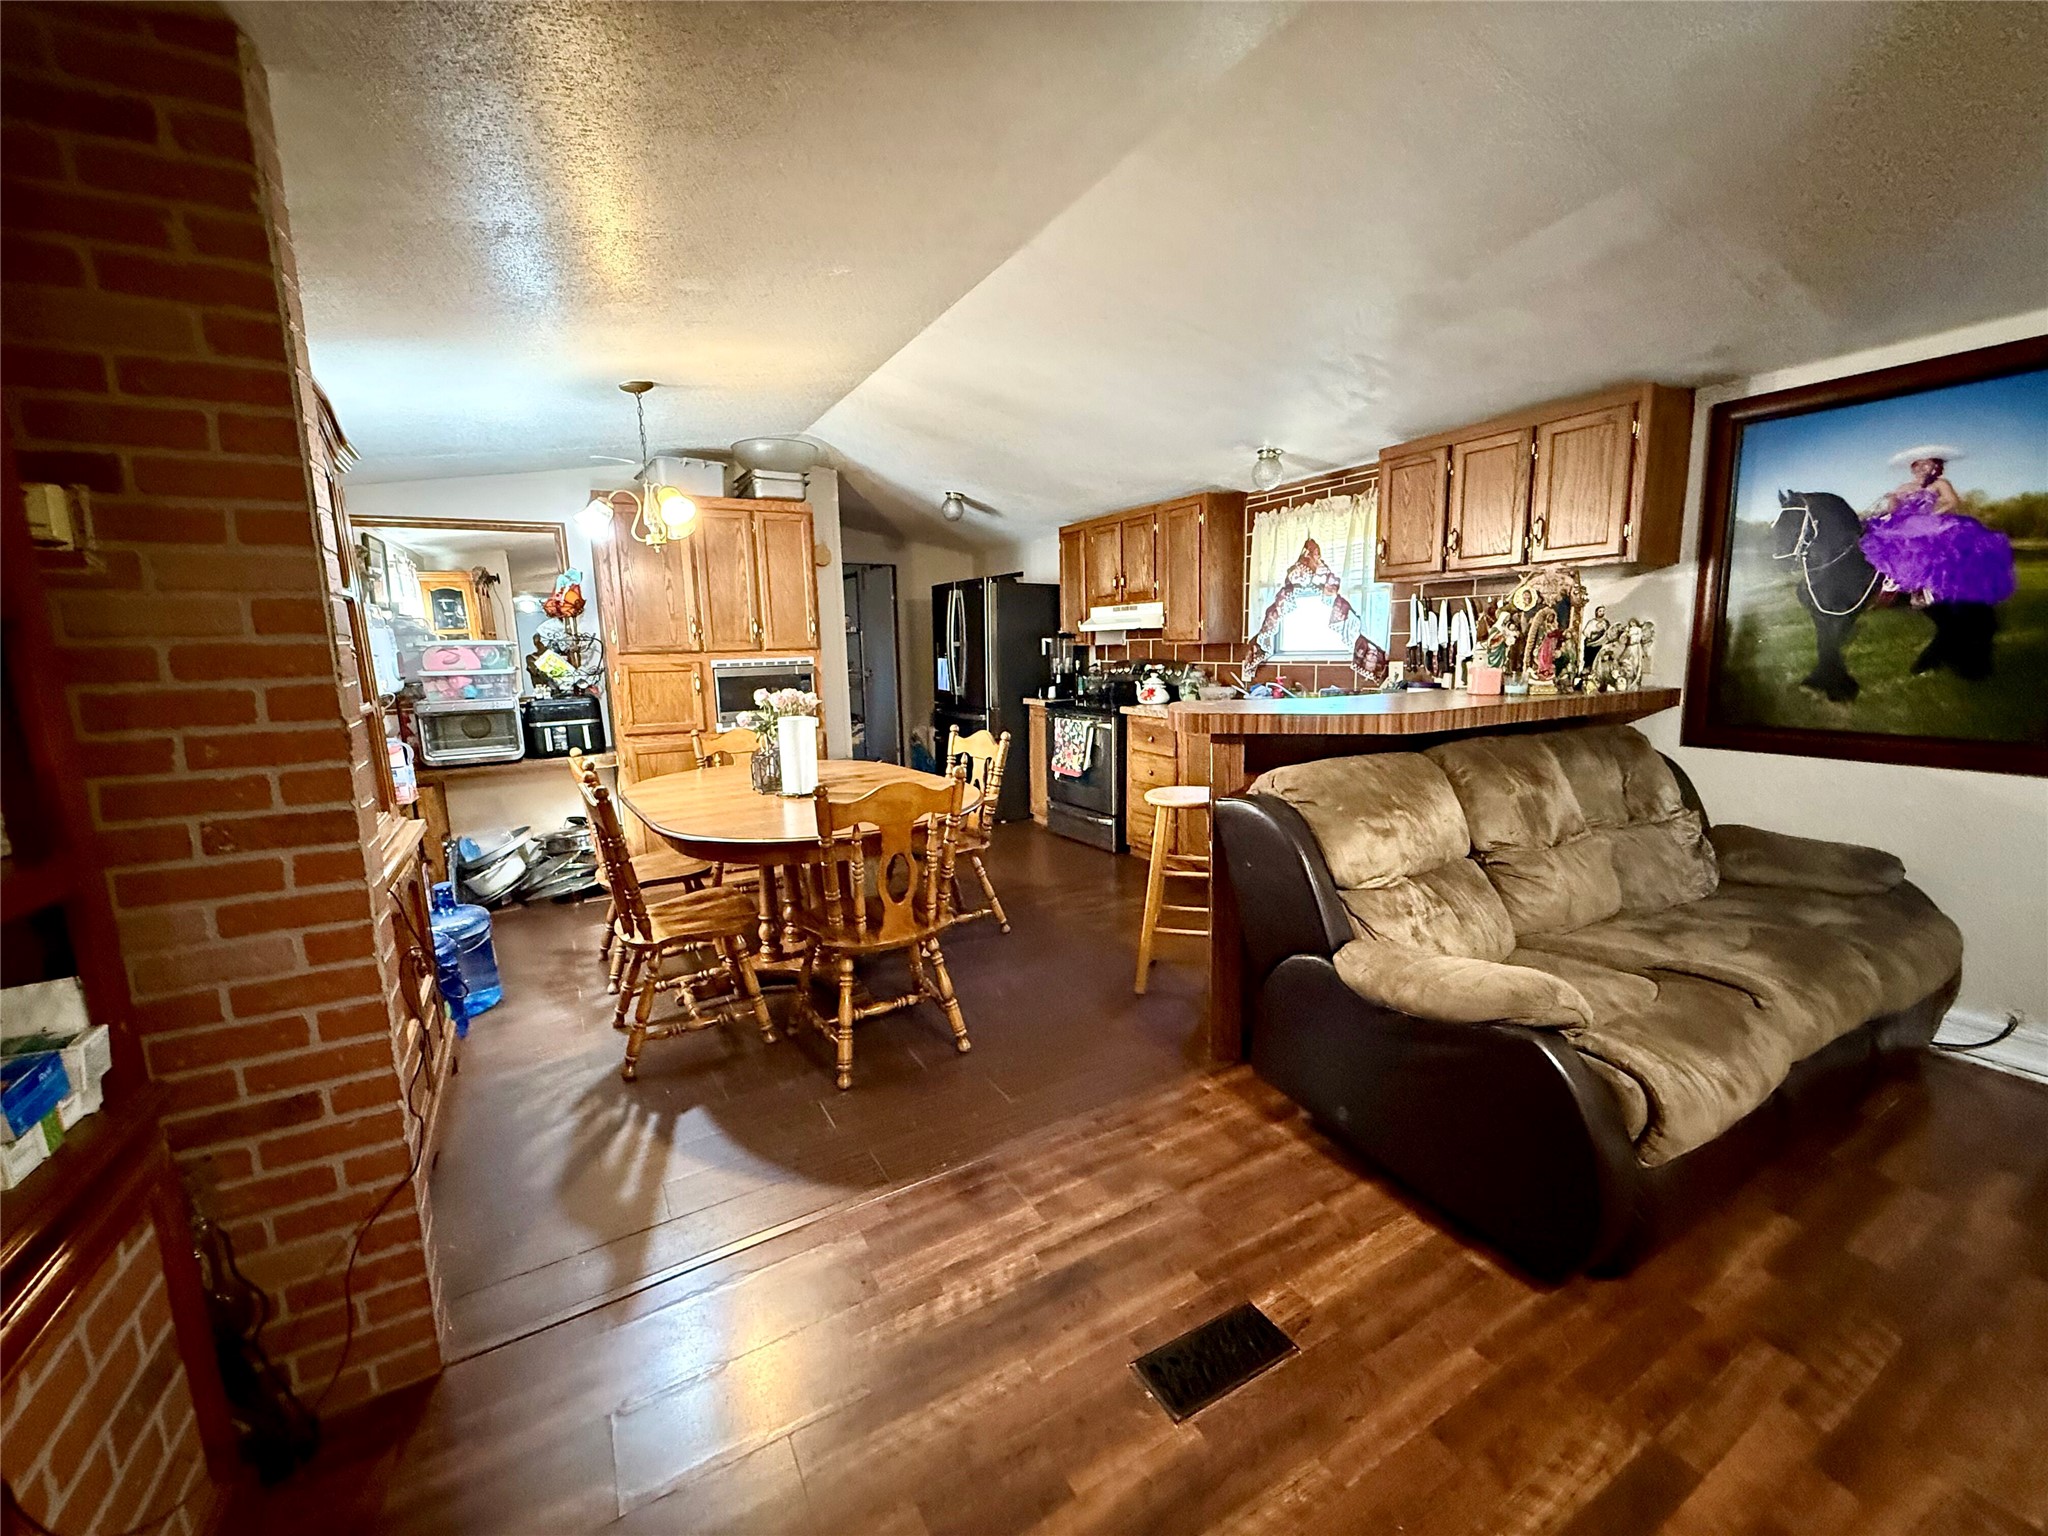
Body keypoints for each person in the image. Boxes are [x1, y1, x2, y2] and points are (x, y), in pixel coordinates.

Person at [1859, 446, 2017, 607]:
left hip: (1930, 521)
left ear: (1935, 466)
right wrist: (1892, 499)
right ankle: (1893, 581)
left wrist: (1933, 515)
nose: (1921, 468)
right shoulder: (1904, 487)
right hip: (1906, 522)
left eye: (1926, 464)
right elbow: (1894, 510)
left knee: (1932, 549)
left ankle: (1925, 589)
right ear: (1913, 469)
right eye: (1917, 465)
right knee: (1888, 540)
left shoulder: (1940, 483)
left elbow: (1952, 502)